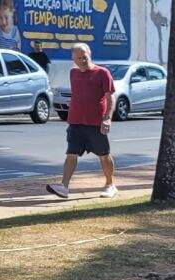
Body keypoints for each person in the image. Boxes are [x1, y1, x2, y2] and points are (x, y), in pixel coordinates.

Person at [46, 44, 118, 199]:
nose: (83, 60)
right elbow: (80, 93)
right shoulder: (73, 73)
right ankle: (64, 186)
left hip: (96, 123)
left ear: (89, 53)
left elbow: (110, 95)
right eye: (79, 58)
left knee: (104, 155)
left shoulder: (102, 72)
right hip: (76, 122)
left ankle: (110, 184)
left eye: (84, 56)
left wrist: (107, 118)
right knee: (71, 153)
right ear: (74, 60)